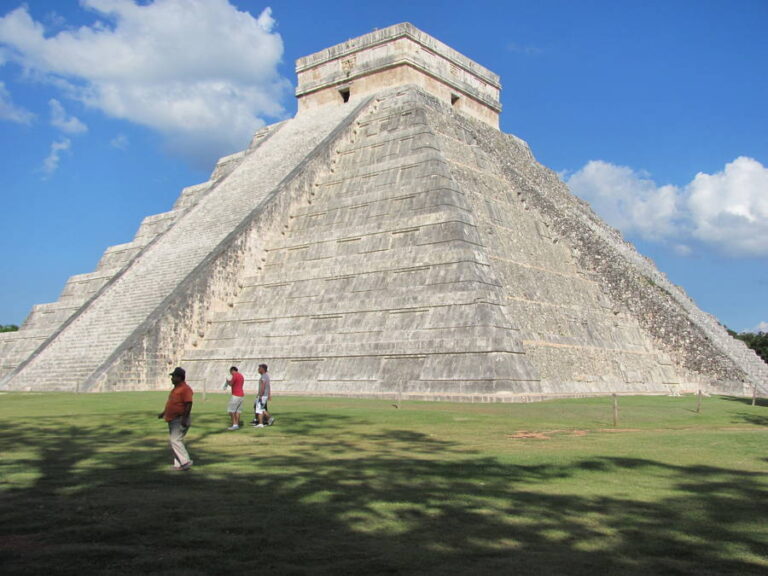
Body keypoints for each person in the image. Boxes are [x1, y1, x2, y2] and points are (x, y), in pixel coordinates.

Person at [158, 366, 194, 471]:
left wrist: (184, 418)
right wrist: (164, 413)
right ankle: (178, 464)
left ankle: (185, 461)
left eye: (173, 376)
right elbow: (172, 403)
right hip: (173, 418)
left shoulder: (185, 389)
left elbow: (188, 404)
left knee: (175, 440)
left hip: (180, 418)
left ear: (179, 377)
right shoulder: (176, 389)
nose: (172, 378)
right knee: (175, 440)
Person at [252, 363, 275, 428]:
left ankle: (261, 423)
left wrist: (260, 395)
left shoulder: (264, 376)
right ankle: (267, 419)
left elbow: (263, 386)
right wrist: (269, 395)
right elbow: (268, 386)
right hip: (264, 395)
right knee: (261, 408)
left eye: (259, 368)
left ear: (262, 369)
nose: (258, 369)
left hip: (262, 395)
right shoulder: (266, 376)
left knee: (259, 409)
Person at [223, 365, 245, 430]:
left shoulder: (235, 375)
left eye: (230, 372)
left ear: (232, 370)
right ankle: (237, 424)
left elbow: (231, 384)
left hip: (236, 395)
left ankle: (234, 424)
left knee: (231, 410)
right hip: (241, 395)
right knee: (238, 411)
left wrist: (227, 382)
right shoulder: (241, 375)